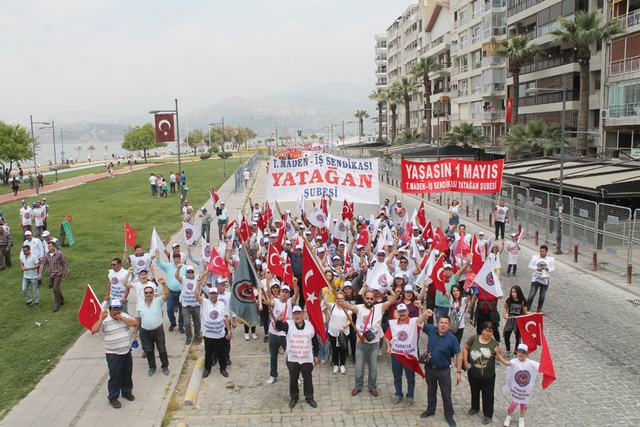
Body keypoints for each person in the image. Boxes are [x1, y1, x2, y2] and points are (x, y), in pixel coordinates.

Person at [336, 288, 399, 397]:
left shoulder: (380, 307)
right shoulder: (359, 308)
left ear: (374, 299)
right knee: (359, 367)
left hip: (374, 344)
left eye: (371, 298)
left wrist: (396, 294)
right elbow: (349, 306)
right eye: (367, 298)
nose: (369, 300)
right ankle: (358, 386)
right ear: (364, 298)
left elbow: (391, 301)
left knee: (373, 368)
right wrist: (341, 301)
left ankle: (372, 387)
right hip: (361, 343)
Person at [91, 299, 137, 409]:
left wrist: (121, 318)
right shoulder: (105, 319)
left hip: (126, 351)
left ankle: (126, 392)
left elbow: (135, 323)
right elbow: (94, 330)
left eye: (118, 308)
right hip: (113, 354)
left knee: (127, 373)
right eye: (114, 309)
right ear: (110, 309)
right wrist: (101, 319)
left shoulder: (123, 316)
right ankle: (113, 397)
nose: (117, 311)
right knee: (115, 376)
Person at [419, 312, 462, 427]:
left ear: (449, 325)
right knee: (431, 391)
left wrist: (458, 372)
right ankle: (430, 410)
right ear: (438, 324)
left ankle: (449, 415)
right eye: (441, 322)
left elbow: (459, 354)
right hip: (430, 368)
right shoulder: (431, 330)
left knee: (446, 394)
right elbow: (418, 323)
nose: (443, 325)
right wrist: (424, 313)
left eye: (445, 323)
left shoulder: (452, 338)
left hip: (444, 370)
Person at [463, 321, 510, 425]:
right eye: (486, 330)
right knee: (474, 391)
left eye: (490, 331)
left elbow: (497, 359)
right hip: (473, 373)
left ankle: (488, 415)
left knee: (488, 395)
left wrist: (498, 352)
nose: (488, 333)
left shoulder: (494, 343)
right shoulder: (474, 338)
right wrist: (465, 361)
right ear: (482, 330)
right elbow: (465, 348)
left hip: (488, 376)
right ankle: (474, 407)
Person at [275, 305, 320, 409]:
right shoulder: (288, 325)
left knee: (308, 378)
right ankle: (294, 397)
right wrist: (279, 320)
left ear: (303, 314)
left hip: (306, 358)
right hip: (293, 358)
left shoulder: (310, 326)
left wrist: (316, 355)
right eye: (295, 314)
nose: (297, 315)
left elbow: (315, 343)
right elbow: (278, 327)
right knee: (293, 379)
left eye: (299, 313)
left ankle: (309, 397)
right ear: (292, 315)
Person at [386, 302, 431, 405]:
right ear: (397, 313)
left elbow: (421, 319)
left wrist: (424, 313)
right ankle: (398, 394)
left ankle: (410, 395)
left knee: (410, 377)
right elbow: (387, 336)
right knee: (397, 376)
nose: (402, 314)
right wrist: (388, 346)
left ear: (407, 312)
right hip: (396, 355)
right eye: (400, 312)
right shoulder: (393, 324)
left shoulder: (413, 322)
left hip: (409, 356)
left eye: (404, 311)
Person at [195, 280, 231, 378]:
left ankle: (223, 368)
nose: (213, 295)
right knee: (208, 353)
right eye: (211, 294)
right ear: (209, 295)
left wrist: (229, 331)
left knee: (222, 352)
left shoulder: (222, 305)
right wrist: (198, 284)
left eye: (215, 294)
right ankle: (207, 369)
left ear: (217, 295)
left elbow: (226, 318)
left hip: (220, 334)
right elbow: (197, 296)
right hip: (208, 335)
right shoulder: (204, 302)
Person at [265, 282, 299, 384]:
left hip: (285, 334)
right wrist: (267, 282)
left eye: (287, 292)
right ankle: (273, 375)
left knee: (290, 356)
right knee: (273, 355)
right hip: (274, 333)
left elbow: (296, 295)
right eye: (283, 291)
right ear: (279, 293)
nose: (285, 294)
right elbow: (270, 301)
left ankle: (295, 376)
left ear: (289, 294)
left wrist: (296, 284)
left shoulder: (290, 302)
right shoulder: (275, 301)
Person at [138, 281, 170, 376]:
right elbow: (138, 318)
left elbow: (166, 294)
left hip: (158, 330)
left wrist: (164, 284)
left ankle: (165, 366)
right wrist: (136, 331)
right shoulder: (139, 304)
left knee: (162, 350)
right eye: (146, 293)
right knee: (148, 350)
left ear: (153, 293)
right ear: (144, 294)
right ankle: (152, 367)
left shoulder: (158, 301)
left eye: (150, 292)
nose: (148, 294)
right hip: (145, 332)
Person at [503, 344, 539, 427]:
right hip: (516, 389)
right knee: (514, 403)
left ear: (526, 354)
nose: (521, 354)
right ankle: (508, 416)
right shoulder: (514, 361)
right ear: (517, 352)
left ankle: (521, 418)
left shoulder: (531, 363)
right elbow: (506, 362)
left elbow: (541, 367)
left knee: (524, 404)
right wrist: (498, 354)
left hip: (525, 390)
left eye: (523, 352)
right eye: (519, 352)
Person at [155, 251, 186, 332]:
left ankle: (181, 325)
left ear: (180, 259)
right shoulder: (168, 266)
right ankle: (173, 323)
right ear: (173, 259)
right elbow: (158, 263)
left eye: (177, 259)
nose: (176, 260)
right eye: (174, 259)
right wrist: (157, 254)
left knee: (182, 310)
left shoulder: (185, 267)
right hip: (171, 292)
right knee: (169, 309)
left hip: (181, 292)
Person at [175, 264, 202, 345]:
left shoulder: (197, 278)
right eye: (188, 272)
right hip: (185, 305)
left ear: (194, 272)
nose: (190, 273)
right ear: (186, 273)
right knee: (187, 323)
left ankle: (197, 336)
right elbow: (176, 276)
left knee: (197, 322)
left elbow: (203, 278)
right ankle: (189, 337)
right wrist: (178, 268)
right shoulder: (183, 278)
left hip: (196, 305)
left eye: (192, 272)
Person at [39, 240, 69, 312]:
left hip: (58, 273)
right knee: (56, 288)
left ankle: (56, 304)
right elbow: (43, 264)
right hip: (51, 274)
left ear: (53, 246)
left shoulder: (59, 253)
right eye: (48, 246)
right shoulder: (46, 254)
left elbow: (64, 263)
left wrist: (66, 271)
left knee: (55, 288)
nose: (48, 247)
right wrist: (40, 273)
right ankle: (61, 299)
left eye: (49, 246)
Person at [326, 291, 351, 375]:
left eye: (341, 298)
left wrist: (343, 326)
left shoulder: (347, 308)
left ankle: (342, 365)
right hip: (333, 332)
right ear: (335, 299)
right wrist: (326, 292)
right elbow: (325, 301)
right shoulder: (332, 306)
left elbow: (350, 320)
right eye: (338, 298)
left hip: (344, 332)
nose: (340, 300)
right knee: (334, 349)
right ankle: (336, 365)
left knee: (343, 349)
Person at [527, 245, 555, 312]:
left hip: (545, 280)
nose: (541, 253)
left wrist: (547, 269)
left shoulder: (550, 260)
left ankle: (539, 309)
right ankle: (527, 308)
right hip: (536, 279)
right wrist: (536, 268)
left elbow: (553, 269)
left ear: (546, 252)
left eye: (543, 251)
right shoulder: (535, 258)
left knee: (542, 296)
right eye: (540, 251)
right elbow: (530, 265)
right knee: (531, 295)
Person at [503, 286, 528, 356]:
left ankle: (516, 351)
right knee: (506, 334)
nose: (513, 294)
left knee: (518, 336)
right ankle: (508, 350)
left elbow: (525, 312)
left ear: (518, 292)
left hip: (519, 321)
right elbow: (505, 307)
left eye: (514, 292)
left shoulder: (523, 301)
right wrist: (505, 313)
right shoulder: (510, 299)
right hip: (511, 319)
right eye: (512, 292)